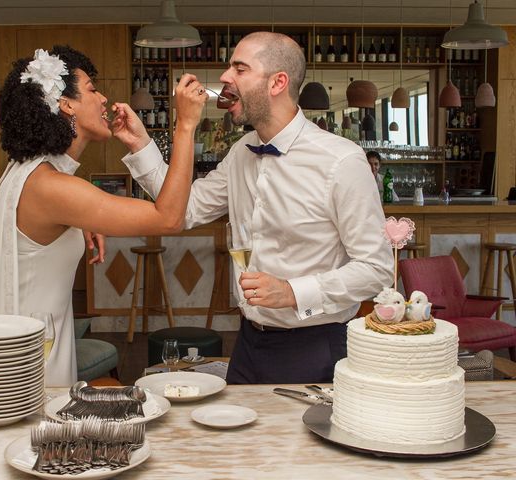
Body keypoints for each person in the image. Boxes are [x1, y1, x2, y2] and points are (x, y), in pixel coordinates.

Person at [122, 32, 394, 384]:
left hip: (316, 347)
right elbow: (184, 210)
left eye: (239, 68)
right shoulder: (241, 152)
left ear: (277, 82)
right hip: (248, 342)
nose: (224, 78)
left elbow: (376, 268)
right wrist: (142, 144)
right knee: (240, 442)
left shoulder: (341, 160)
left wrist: (293, 292)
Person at [0, 45, 206, 387]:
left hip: (25, 340)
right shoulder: (51, 187)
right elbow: (169, 219)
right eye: (92, 89)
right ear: (66, 104)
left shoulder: (30, 173)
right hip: (27, 358)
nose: (104, 98)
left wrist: (77, 224)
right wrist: (186, 126)